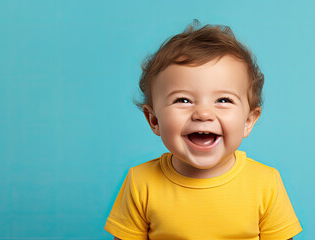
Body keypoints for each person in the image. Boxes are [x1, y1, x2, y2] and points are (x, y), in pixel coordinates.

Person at [104, 20, 303, 240]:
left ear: (248, 120)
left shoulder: (265, 183)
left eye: (223, 100)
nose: (203, 113)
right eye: (183, 100)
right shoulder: (140, 182)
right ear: (154, 120)